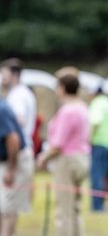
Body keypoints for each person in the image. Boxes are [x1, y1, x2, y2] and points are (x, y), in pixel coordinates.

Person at [37, 73, 90, 236]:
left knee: (64, 209)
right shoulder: (82, 107)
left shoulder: (67, 111)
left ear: (63, 88)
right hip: (82, 158)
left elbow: (58, 145)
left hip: (67, 160)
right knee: (75, 208)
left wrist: (43, 158)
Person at [0, 97, 32, 236]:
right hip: (5, 160)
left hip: (15, 159)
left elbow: (13, 139)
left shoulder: (1, 110)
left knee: (8, 208)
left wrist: (11, 170)